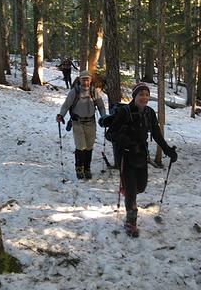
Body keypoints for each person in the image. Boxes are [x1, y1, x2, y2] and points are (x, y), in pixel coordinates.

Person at [105, 82, 178, 237]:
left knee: (141, 187)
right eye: (141, 94)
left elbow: (156, 134)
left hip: (141, 154)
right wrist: (122, 139)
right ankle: (131, 222)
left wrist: (168, 151)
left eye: (146, 94)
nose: (144, 97)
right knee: (132, 192)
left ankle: (126, 188)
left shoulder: (149, 113)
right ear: (134, 96)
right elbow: (109, 134)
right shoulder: (124, 112)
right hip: (125, 155)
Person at [56, 70, 106, 179]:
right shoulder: (74, 92)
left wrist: (103, 117)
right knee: (80, 146)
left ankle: (87, 168)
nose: (85, 82)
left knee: (89, 146)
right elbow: (66, 106)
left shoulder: (94, 92)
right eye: (83, 79)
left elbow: (101, 106)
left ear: (90, 80)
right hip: (77, 122)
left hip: (91, 122)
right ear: (79, 80)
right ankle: (79, 168)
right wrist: (61, 115)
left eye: (87, 79)